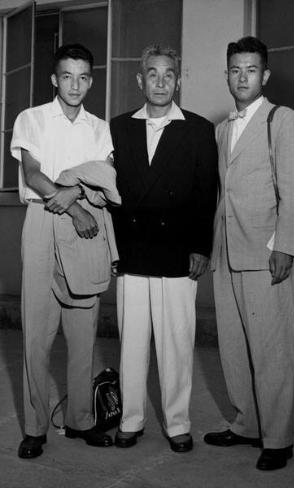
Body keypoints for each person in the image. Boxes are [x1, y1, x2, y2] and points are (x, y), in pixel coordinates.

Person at [204, 36, 294, 470]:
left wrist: (285, 246)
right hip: (226, 252)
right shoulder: (223, 128)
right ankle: (247, 424)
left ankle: (278, 438)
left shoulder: (281, 120)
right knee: (232, 348)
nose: (242, 76)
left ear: (264, 75)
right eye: (235, 69)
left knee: (271, 350)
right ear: (227, 74)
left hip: (265, 253)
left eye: (250, 69)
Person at [11, 44, 121, 459]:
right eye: (67, 76)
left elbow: (105, 176)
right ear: (54, 79)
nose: (74, 85)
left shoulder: (98, 127)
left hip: (88, 226)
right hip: (44, 222)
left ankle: (81, 420)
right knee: (37, 334)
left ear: (91, 81)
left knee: (82, 332)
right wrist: (73, 203)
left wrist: (77, 196)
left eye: (83, 77)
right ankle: (35, 428)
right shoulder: (32, 118)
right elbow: (33, 174)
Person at [110, 45, 218, 452]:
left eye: (168, 74)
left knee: (176, 341)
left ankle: (177, 423)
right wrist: (113, 250)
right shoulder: (117, 128)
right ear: (140, 80)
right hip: (133, 251)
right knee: (132, 343)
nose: (160, 81)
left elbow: (206, 193)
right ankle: (131, 419)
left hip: (177, 252)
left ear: (178, 80)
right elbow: (109, 192)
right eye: (152, 74)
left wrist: (201, 248)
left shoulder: (198, 129)